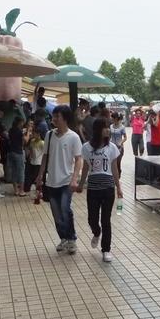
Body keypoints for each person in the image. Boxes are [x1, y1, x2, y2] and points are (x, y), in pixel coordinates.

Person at [36, 105, 83, 254]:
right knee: (56, 214)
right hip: (51, 181)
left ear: (65, 119)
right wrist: (40, 175)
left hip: (66, 181)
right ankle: (63, 238)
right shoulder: (49, 135)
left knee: (65, 209)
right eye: (54, 116)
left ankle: (71, 239)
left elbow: (79, 159)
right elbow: (45, 157)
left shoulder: (73, 137)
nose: (54, 119)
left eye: (57, 116)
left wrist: (74, 179)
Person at [78, 118, 124, 263]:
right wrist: (80, 184)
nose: (108, 130)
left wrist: (118, 187)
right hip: (93, 188)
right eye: (105, 127)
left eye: (108, 127)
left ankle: (106, 250)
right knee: (92, 219)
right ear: (98, 130)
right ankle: (96, 232)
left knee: (106, 220)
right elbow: (85, 167)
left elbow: (114, 168)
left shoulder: (112, 147)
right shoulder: (86, 148)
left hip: (108, 188)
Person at [7, 117, 28, 196]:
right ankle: (21, 191)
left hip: (10, 152)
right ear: (19, 123)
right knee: (21, 171)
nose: (23, 124)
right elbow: (25, 140)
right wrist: (28, 132)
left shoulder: (11, 130)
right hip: (18, 152)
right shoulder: (19, 131)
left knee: (14, 171)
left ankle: (16, 190)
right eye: (22, 122)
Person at [24, 124, 46, 195]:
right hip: (32, 162)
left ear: (38, 134)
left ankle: (39, 191)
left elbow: (45, 154)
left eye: (34, 133)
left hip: (39, 163)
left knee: (38, 178)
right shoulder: (32, 141)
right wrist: (30, 156)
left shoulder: (42, 143)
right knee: (31, 177)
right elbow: (30, 149)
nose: (32, 134)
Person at [109, 113, 127, 177]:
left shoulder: (122, 127)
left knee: (118, 162)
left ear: (116, 118)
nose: (111, 119)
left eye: (112, 118)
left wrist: (121, 142)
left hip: (119, 147)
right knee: (112, 162)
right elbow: (109, 136)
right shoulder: (111, 126)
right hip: (112, 147)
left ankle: (118, 175)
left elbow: (125, 137)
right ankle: (113, 176)